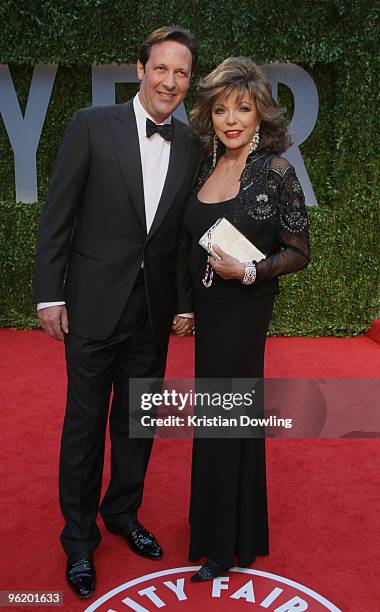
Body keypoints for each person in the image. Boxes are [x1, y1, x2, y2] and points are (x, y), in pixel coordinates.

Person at [34, 26, 199, 598]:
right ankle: (78, 540)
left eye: (181, 73)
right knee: (84, 427)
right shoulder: (89, 126)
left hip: (151, 313)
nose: (170, 82)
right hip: (92, 306)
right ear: (139, 69)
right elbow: (58, 213)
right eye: (162, 69)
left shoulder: (191, 145)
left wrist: (182, 303)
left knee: (136, 421)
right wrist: (49, 294)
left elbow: (177, 238)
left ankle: (122, 513)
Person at [176, 57, 310, 582]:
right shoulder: (205, 166)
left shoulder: (276, 170)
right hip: (208, 311)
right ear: (210, 116)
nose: (232, 119)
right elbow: (187, 243)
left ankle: (223, 548)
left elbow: (299, 251)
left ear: (261, 116)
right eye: (222, 110)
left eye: (244, 108)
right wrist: (185, 304)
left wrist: (250, 270)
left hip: (244, 310)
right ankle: (227, 530)